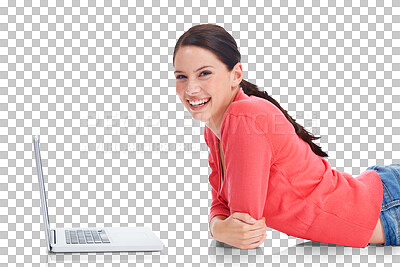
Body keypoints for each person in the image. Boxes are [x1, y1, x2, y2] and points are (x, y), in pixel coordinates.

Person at [172, 23, 398, 249]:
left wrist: (219, 226)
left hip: (388, 206)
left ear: (236, 74)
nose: (190, 88)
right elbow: (222, 208)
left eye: (204, 74)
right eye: (181, 76)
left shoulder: (244, 116)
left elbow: (245, 226)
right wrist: (218, 227)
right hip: (380, 197)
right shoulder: (214, 129)